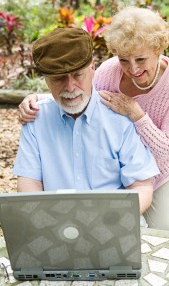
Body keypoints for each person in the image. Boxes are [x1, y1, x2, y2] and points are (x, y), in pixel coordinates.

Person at [18, 7, 169, 231]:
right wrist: (37, 100)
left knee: (163, 230)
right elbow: (81, 96)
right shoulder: (109, 72)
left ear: (158, 50)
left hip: (162, 162)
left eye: (140, 59)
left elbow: (168, 148)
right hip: (129, 160)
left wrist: (136, 114)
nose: (133, 69)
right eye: (124, 60)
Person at [13, 27, 160, 216]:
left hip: (113, 221)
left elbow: (142, 186)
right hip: (55, 223)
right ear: (46, 79)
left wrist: (116, 218)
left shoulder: (119, 116)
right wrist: (42, 220)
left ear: (92, 68)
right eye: (58, 78)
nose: (70, 87)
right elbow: (28, 183)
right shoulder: (35, 119)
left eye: (77, 75)